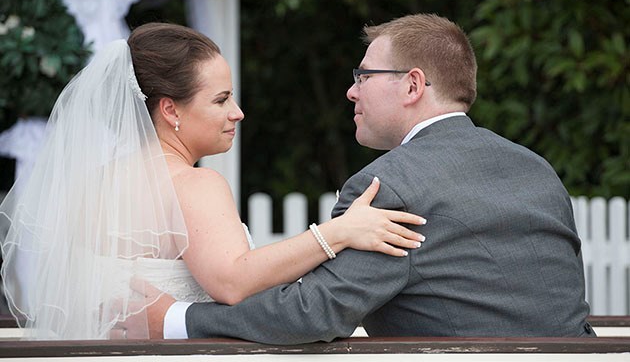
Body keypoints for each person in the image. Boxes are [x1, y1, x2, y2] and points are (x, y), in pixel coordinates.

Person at [145, 13, 593, 342]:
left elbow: (315, 313)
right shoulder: (537, 169)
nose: (351, 90)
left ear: (413, 86)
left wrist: (177, 319)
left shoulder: (390, 185)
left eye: (364, 74)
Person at [0, 22, 426, 340]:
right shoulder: (192, 184)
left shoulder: (93, 186)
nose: (237, 112)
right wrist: (337, 232)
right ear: (170, 110)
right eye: (221, 99)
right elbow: (233, 281)